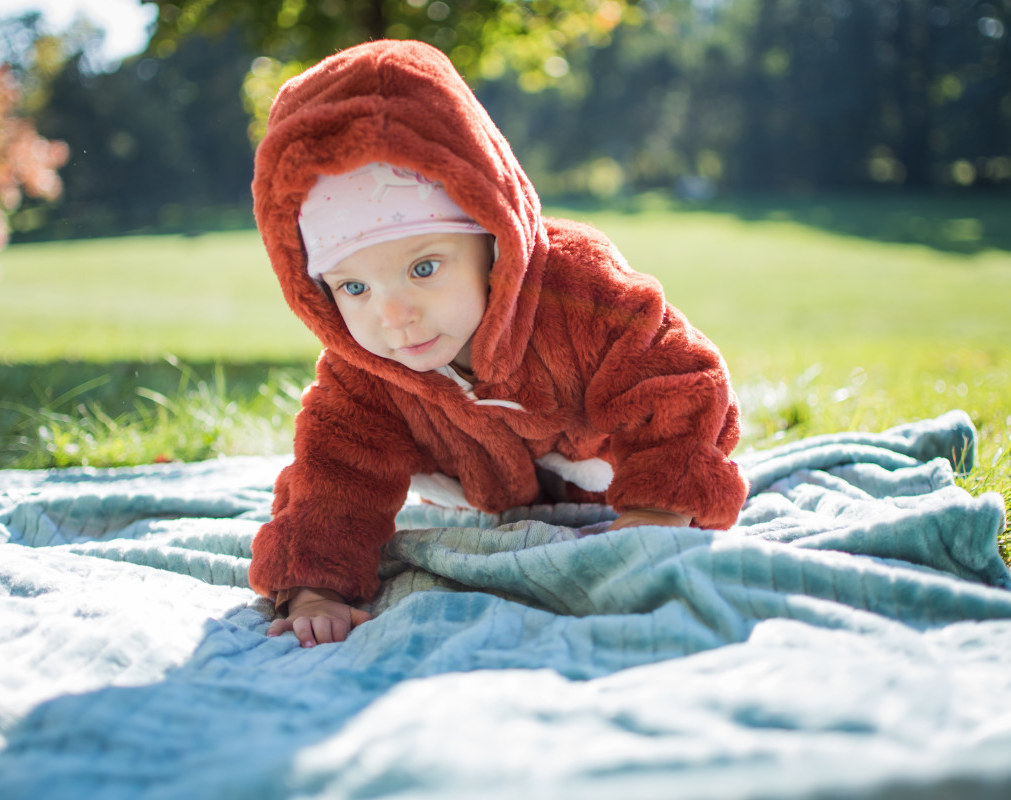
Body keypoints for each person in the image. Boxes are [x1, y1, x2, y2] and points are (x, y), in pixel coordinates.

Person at [250, 39, 749, 648]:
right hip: (478, 487)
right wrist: (313, 586)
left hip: (597, 465)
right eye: (354, 286)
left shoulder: (578, 292)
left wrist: (659, 509)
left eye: (425, 268)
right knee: (334, 449)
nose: (395, 315)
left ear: (493, 241)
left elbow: (676, 381)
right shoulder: (366, 373)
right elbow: (334, 473)